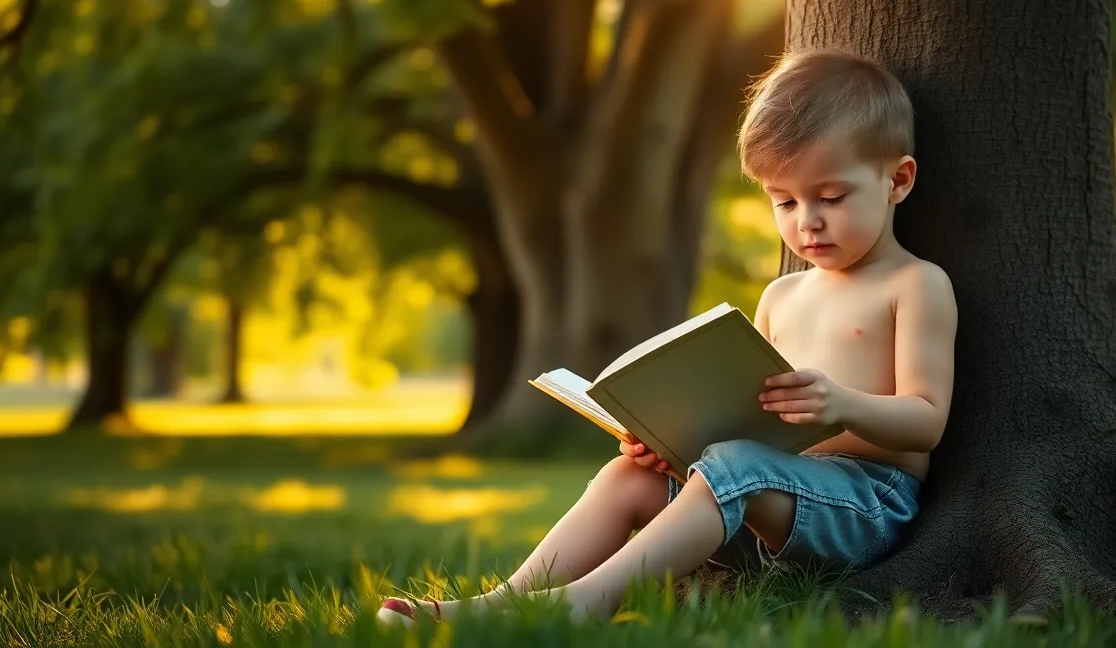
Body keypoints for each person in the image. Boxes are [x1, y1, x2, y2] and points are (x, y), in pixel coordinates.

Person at [378, 48, 958, 624]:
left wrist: (843, 403)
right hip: (759, 499)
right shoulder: (783, 295)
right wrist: (669, 445)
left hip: (865, 502)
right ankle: (503, 604)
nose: (807, 219)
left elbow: (927, 419)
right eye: (784, 201)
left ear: (897, 182)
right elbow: (741, 416)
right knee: (629, 474)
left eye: (830, 197)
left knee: (737, 464)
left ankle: (586, 602)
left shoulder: (913, 284)